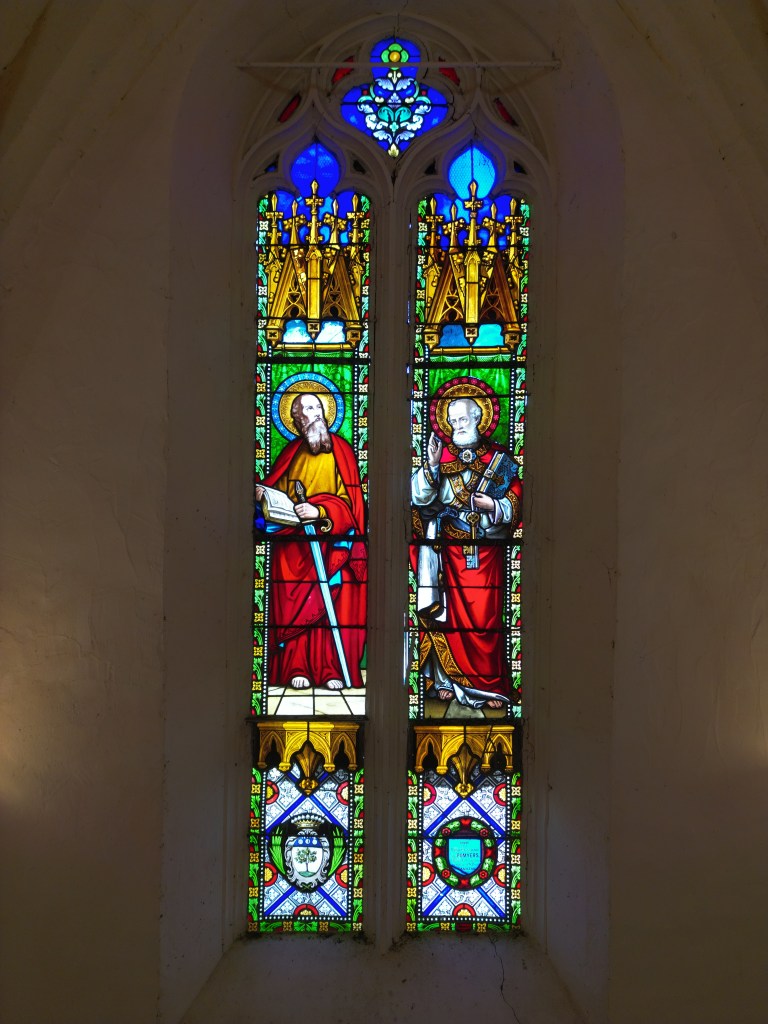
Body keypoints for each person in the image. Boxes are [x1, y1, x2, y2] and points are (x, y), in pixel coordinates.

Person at [411, 395, 521, 710]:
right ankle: (447, 681)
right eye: (452, 421)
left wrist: (494, 505)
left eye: (463, 419)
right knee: (446, 615)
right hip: (448, 550)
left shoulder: (499, 459)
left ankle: (489, 686)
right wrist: (432, 465)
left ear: (478, 419)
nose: (457, 426)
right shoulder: (442, 456)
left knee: (486, 618)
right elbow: (418, 497)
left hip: (486, 551)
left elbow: (517, 496)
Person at [255, 392, 366, 690]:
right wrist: (264, 494)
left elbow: (352, 504)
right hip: (293, 547)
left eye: (318, 407)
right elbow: (275, 494)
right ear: (296, 420)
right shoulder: (290, 454)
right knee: (294, 605)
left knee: (332, 603)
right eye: (307, 409)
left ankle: (330, 669)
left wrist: (320, 510)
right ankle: (295, 667)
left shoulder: (342, 452)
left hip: (332, 543)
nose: (315, 413)